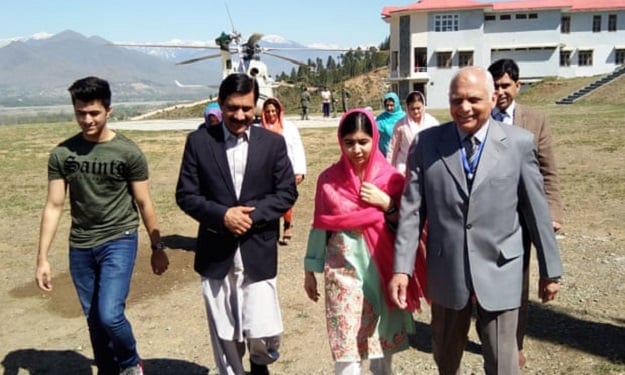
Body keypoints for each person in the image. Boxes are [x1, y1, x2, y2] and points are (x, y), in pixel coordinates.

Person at [388, 67, 563, 375]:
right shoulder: (427, 144)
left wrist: (550, 271)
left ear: (493, 98)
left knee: (503, 362)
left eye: (473, 99)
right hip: (447, 272)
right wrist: (402, 268)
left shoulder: (519, 144)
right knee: (446, 358)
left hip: (501, 269)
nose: (464, 107)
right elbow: (412, 212)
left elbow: (536, 211)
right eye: (457, 100)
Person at [35, 76, 170, 375]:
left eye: (94, 112)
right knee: (94, 318)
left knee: (109, 315)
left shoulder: (128, 152)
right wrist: (42, 258)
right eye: (80, 112)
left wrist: (157, 247)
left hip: (119, 239)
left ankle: (130, 362)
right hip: (81, 245)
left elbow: (144, 202)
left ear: (109, 110)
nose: (87, 119)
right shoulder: (62, 154)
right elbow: (54, 205)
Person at [175, 73, 298, 375]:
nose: (240, 115)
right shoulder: (199, 142)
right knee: (224, 333)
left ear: (256, 105)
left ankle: (260, 365)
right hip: (217, 252)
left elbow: (287, 193)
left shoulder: (273, 144)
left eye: (246, 108)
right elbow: (186, 195)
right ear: (220, 104)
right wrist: (223, 215)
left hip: (258, 250)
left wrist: (250, 216)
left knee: (264, 328)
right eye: (232, 108)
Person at [304, 109, 426, 375]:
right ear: (340, 142)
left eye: (363, 141)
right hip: (342, 273)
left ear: (374, 139)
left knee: (381, 349)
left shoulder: (391, 179)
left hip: (381, 273)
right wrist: (310, 271)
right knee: (346, 348)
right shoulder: (329, 181)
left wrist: (387, 203)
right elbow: (320, 226)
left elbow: (408, 227)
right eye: (349, 142)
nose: (356, 149)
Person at [488, 58, 564, 367]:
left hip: (523, 217)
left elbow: (549, 172)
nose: (500, 91)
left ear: (518, 86)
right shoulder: (481, 118)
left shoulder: (535, 120)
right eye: (495, 85)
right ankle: (491, 334)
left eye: (506, 85)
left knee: (518, 282)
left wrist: (552, 213)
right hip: (488, 216)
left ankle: (513, 344)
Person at [260, 97, 307, 245]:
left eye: (274, 111)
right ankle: (272, 231)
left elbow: (297, 148)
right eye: (268, 111)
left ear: (279, 111)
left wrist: (299, 171)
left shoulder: (290, 127)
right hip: (266, 172)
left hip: (286, 170)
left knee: (286, 201)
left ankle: (287, 226)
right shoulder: (259, 129)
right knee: (269, 201)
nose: (271, 114)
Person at [386, 91, 439, 174]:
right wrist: (388, 169)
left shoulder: (432, 122)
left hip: (427, 165)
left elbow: (438, 144)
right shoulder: (401, 125)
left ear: (423, 106)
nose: (416, 111)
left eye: (418, 108)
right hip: (404, 166)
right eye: (412, 109)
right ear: (407, 108)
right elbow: (393, 148)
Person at [375, 92, 405, 157]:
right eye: (387, 105)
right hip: (384, 155)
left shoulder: (404, 117)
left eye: (391, 105)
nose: (389, 108)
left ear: (396, 104)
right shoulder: (380, 118)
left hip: (401, 155)